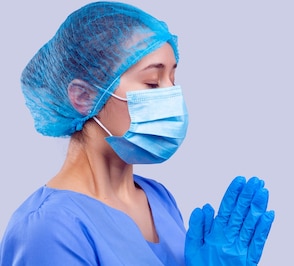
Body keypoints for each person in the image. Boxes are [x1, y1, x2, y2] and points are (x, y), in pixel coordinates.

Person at [0, 1, 275, 265]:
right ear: (83, 97)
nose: (171, 97)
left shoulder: (157, 198)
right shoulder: (49, 229)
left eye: (173, 80)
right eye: (153, 84)